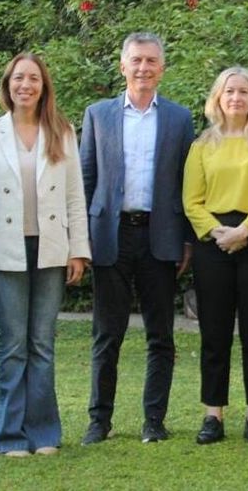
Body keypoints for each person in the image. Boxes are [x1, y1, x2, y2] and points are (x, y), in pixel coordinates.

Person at [0, 52, 91, 456]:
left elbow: (75, 197)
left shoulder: (62, 131)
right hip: (6, 250)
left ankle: (43, 434)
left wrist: (79, 250)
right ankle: (10, 436)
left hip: (52, 248)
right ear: (8, 85)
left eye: (33, 78)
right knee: (12, 345)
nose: (26, 85)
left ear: (43, 86)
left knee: (41, 344)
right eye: (19, 78)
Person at [79, 32, 194, 445]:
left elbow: (186, 183)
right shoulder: (98, 114)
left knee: (160, 335)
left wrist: (186, 241)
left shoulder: (180, 119)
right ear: (122, 65)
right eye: (136, 60)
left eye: (151, 61)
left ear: (162, 68)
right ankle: (99, 421)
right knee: (107, 334)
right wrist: (81, 238)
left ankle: (154, 421)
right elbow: (86, 178)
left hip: (159, 237)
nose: (143, 68)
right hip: (110, 235)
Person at [183, 66, 248, 445]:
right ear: (218, 99)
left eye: (243, 92)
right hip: (214, 244)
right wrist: (218, 233)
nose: (236, 98)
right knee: (215, 332)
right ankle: (213, 415)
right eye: (229, 92)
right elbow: (191, 201)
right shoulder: (202, 146)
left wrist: (245, 231)